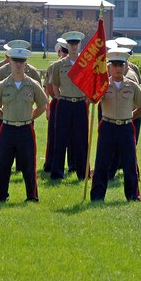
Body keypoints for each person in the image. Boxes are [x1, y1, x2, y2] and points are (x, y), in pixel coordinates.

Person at [0, 47, 48, 202]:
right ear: (10, 63)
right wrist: (4, 117)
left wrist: (31, 117)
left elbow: (42, 104)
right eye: (15, 61)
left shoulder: (33, 84)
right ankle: (1, 196)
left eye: (22, 61)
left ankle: (32, 196)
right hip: (7, 128)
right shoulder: (3, 84)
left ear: (26, 64)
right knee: (3, 165)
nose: (18, 65)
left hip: (26, 129)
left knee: (29, 165)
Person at [90, 49, 141, 202]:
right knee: (102, 163)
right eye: (114, 65)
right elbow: (91, 100)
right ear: (109, 67)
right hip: (108, 127)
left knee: (130, 164)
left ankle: (133, 195)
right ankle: (97, 196)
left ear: (125, 66)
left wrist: (129, 116)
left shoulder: (132, 86)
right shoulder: (103, 85)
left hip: (126, 128)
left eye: (121, 64)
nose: (118, 68)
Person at [0, 40, 33, 169]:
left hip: (24, 114)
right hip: (5, 113)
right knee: (1, 141)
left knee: (24, 144)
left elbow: (38, 92)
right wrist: (0, 111)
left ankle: (21, 167)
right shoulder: (0, 71)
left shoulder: (31, 71)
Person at [48, 31, 89, 180]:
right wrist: (60, 99)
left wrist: (86, 101)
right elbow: (54, 86)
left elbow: (90, 85)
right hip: (64, 103)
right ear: (66, 45)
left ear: (79, 45)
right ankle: (57, 173)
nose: (73, 47)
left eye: (76, 44)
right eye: (70, 44)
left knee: (81, 140)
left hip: (80, 104)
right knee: (60, 139)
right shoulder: (59, 65)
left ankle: (82, 173)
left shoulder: (85, 63)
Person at [43, 37, 69, 172]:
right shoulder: (53, 67)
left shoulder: (76, 65)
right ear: (59, 52)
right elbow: (47, 88)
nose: (65, 53)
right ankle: (50, 164)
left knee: (74, 138)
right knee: (53, 136)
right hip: (57, 103)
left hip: (72, 103)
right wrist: (47, 108)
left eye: (67, 50)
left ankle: (74, 166)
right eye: (63, 50)